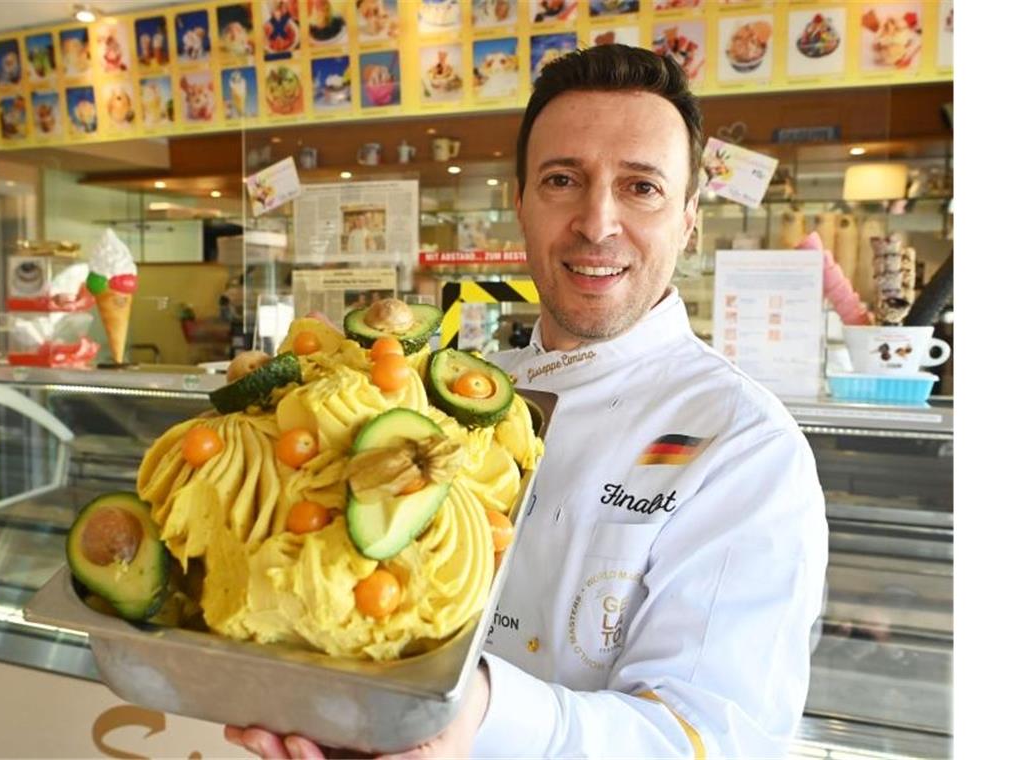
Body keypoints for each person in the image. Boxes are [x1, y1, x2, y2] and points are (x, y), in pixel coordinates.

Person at [226, 44, 828, 759]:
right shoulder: (445, 402)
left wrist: (479, 714)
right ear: (520, 202)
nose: (597, 222)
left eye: (641, 188)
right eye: (563, 180)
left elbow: (718, 741)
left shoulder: (744, 444)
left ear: (689, 218)